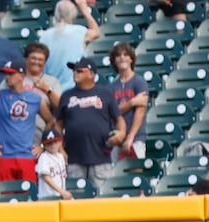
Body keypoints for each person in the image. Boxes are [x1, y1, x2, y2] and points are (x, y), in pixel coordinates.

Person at [0, 58, 53, 182]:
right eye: (6, 74)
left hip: (27, 156)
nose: (7, 77)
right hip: (4, 156)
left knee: (28, 196)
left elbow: (50, 121)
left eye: (11, 73)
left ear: (21, 76)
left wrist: (42, 145)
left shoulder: (35, 99)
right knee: (3, 196)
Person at [55, 57, 124, 194]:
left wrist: (121, 133)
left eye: (80, 70)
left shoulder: (105, 93)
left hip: (100, 157)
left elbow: (119, 119)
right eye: (74, 70)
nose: (75, 73)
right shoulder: (67, 95)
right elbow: (58, 124)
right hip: (73, 157)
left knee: (101, 200)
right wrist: (59, 147)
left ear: (91, 74)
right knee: (75, 199)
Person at [39, 0, 101, 91]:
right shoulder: (79, 31)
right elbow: (96, 33)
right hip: (73, 89)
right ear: (74, 16)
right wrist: (84, 10)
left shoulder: (45, 35)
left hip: (51, 89)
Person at [106, 42, 149, 160]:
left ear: (131, 59)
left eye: (125, 55)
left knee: (135, 175)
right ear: (114, 61)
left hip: (136, 139)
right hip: (116, 139)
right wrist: (132, 103)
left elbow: (140, 111)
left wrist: (131, 137)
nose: (122, 58)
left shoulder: (139, 82)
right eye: (118, 55)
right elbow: (111, 112)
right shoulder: (110, 87)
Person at [36, 127, 71, 199]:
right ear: (44, 145)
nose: (53, 145)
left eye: (55, 142)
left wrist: (62, 192)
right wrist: (62, 191)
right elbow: (46, 177)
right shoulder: (44, 157)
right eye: (49, 143)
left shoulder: (61, 157)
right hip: (47, 198)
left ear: (60, 142)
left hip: (59, 195)